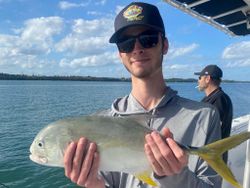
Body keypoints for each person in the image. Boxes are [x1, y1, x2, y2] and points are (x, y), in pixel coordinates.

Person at [64, 2, 222, 188]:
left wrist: (176, 177)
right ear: (120, 54)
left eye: (148, 39)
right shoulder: (103, 122)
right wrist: (92, 184)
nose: (137, 48)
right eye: (126, 43)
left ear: (164, 45)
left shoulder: (203, 116)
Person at [194, 64, 233, 162]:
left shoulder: (218, 100)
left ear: (207, 78)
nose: (198, 80)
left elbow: (210, 131)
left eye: (200, 77)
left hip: (212, 158)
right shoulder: (213, 98)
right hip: (209, 156)